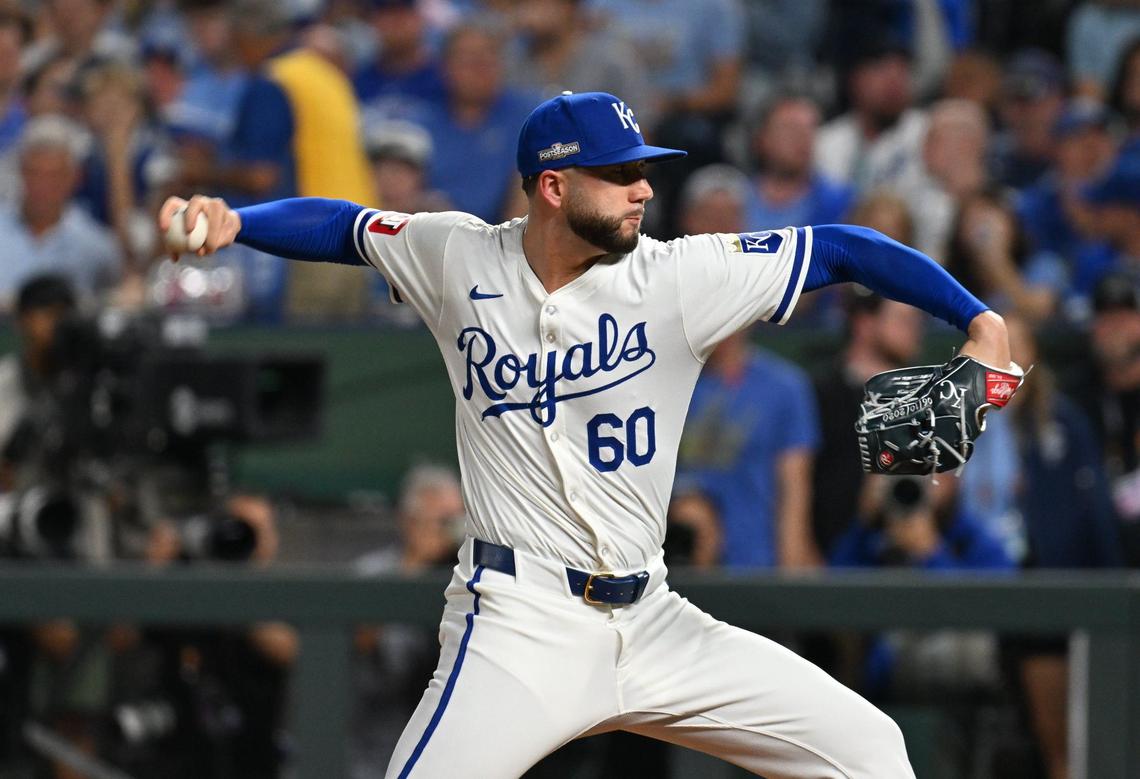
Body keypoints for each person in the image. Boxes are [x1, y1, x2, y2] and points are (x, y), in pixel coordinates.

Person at [162, 89, 1016, 778]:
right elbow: (342, 226)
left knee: (872, 753)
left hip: (653, 617)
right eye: (618, 172)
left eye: (644, 169)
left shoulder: (680, 276)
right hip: (519, 622)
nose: (644, 187)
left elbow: (843, 246)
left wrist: (976, 316)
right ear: (554, 186)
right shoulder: (456, 257)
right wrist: (241, 221)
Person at [0, 115, 121, 311]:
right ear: (21, 172)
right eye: (34, 173)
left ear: (75, 177)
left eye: (54, 176)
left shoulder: (97, 246)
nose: (43, 186)